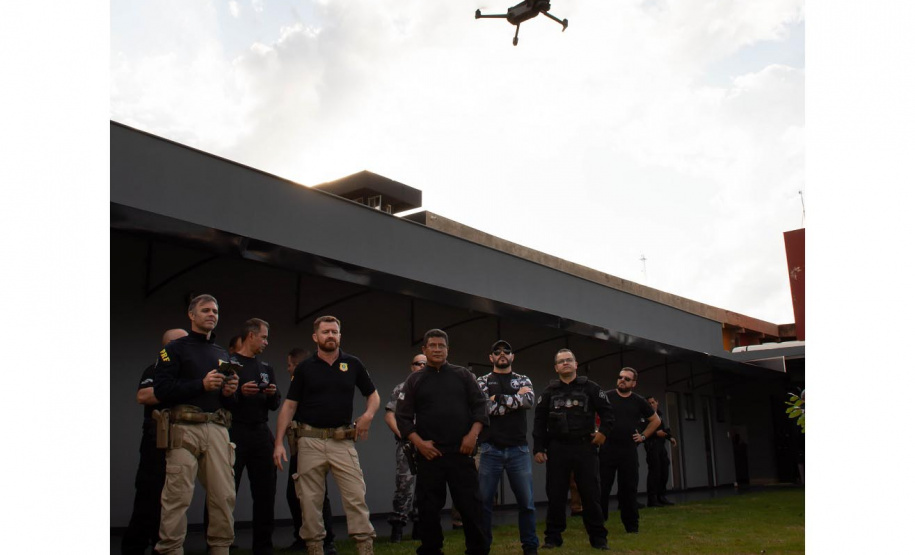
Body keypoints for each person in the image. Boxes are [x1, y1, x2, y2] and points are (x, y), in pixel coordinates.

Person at [273, 316, 380, 555]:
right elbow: (289, 406)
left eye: (334, 331)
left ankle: (365, 548)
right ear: (316, 337)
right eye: (325, 332)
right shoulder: (305, 368)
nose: (330, 335)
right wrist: (278, 442)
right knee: (310, 502)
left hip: (342, 441)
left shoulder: (353, 364)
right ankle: (314, 548)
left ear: (340, 335)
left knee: (355, 497)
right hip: (309, 441)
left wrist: (368, 415)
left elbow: (373, 395)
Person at [152, 294, 240, 555]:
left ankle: (220, 549)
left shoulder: (221, 352)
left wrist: (229, 392)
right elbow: (161, 390)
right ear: (192, 315)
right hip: (184, 429)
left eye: (215, 311)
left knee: (223, 496)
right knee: (177, 497)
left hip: (217, 429)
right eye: (205, 310)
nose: (212, 314)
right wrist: (200, 385)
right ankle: (170, 549)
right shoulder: (173, 349)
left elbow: (230, 401)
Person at [394, 329, 490, 555]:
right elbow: (403, 418)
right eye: (433, 346)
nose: (437, 349)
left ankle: (478, 550)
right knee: (428, 509)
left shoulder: (463, 375)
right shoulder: (414, 380)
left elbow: (480, 407)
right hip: (430, 455)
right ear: (424, 350)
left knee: (471, 507)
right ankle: (431, 549)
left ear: (448, 349)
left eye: (441, 346)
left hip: (461, 452)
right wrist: (420, 443)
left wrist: (472, 435)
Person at [533, 348, 613, 551]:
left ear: (576, 364)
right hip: (558, 448)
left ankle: (598, 538)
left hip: (584, 447)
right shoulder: (549, 392)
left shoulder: (591, 388)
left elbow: (608, 413)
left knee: (590, 493)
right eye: (561, 361)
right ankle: (553, 538)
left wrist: (602, 433)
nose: (565, 363)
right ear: (556, 367)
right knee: (555, 494)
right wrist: (538, 448)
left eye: (569, 360)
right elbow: (539, 423)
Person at [122, 328, 188, 555]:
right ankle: (134, 547)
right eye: (183, 342)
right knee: (149, 493)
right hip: (156, 438)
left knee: (175, 496)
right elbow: (143, 396)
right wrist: (178, 389)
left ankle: (165, 545)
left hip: (183, 440)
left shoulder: (189, 373)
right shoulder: (156, 369)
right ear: (168, 347)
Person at [476, 340, 539, 555]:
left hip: (518, 450)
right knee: (484, 503)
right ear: (490, 357)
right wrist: (514, 401)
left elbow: (528, 401)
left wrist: (500, 399)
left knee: (526, 503)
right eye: (497, 352)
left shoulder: (523, 379)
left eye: (507, 351)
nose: (502, 354)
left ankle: (530, 547)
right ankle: (482, 546)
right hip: (490, 449)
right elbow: (484, 408)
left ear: (513, 356)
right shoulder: (482, 380)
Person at [229, 318, 281, 555]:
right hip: (234, 431)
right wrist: (239, 392)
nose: (266, 342)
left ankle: (263, 547)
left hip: (261, 432)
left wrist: (271, 394)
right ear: (251, 336)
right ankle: (220, 544)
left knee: (265, 492)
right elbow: (220, 399)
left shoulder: (266, 368)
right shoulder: (229, 364)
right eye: (263, 337)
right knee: (225, 491)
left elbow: (275, 403)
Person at [284, 348, 337, 555]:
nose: (287, 368)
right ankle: (303, 536)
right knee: (295, 493)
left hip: (312, 445)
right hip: (298, 445)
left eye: (289, 364)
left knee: (317, 494)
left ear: (298, 366)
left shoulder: (311, 386)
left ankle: (327, 540)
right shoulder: (296, 386)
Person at [598, 367, 660, 533]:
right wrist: (597, 433)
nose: (622, 380)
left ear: (633, 383)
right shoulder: (606, 397)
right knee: (602, 488)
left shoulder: (639, 401)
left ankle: (631, 526)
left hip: (628, 451)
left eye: (627, 378)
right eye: (620, 377)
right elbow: (592, 414)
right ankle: (598, 523)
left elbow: (655, 420)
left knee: (628, 489)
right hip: (607, 449)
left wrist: (643, 436)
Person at [383, 353, 427, 542]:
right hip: (408, 445)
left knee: (425, 487)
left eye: (425, 364)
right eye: (418, 363)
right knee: (404, 486)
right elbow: (389, 415)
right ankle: (398, 527)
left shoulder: (436, 389)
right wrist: (404, 434)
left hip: (428, 445)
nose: (422, 367)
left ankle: (420, 527)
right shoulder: (402, 388)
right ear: (412, 367)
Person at [644, 395, 676, 507]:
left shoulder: (660, 415)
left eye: (653, 402)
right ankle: (652, 500)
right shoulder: (645, 416)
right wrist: (655, 434)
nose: (651, 405)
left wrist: (670, 437)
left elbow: (663, 429)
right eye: (649, 403)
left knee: (664, 471)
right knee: (655, 472)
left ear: (657, 403)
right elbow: (643, 431)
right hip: (652, 446)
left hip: (661, 446)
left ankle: (661, 496)